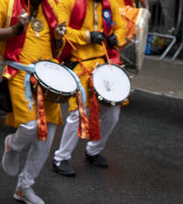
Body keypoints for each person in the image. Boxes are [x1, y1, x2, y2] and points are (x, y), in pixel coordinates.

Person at [0, 0, 64, 204]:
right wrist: (14, 29)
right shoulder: (5, 3)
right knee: (30, 125)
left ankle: (24, 186)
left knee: (48, 133)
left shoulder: (51, 6)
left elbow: (58, 48)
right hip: (20, 73)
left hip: (49, 77)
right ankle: (13, 144)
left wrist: (60, 37)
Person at [50, 0, 128, 175]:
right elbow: (60, 31)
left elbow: (121, 27)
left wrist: (117, 37)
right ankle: (60, 158)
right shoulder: (67, 2)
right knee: (78, 113)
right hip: (78, 64)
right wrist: (87, 37)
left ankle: (93, 151)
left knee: (113, 113)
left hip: (105, 63)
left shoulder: (110, 3)